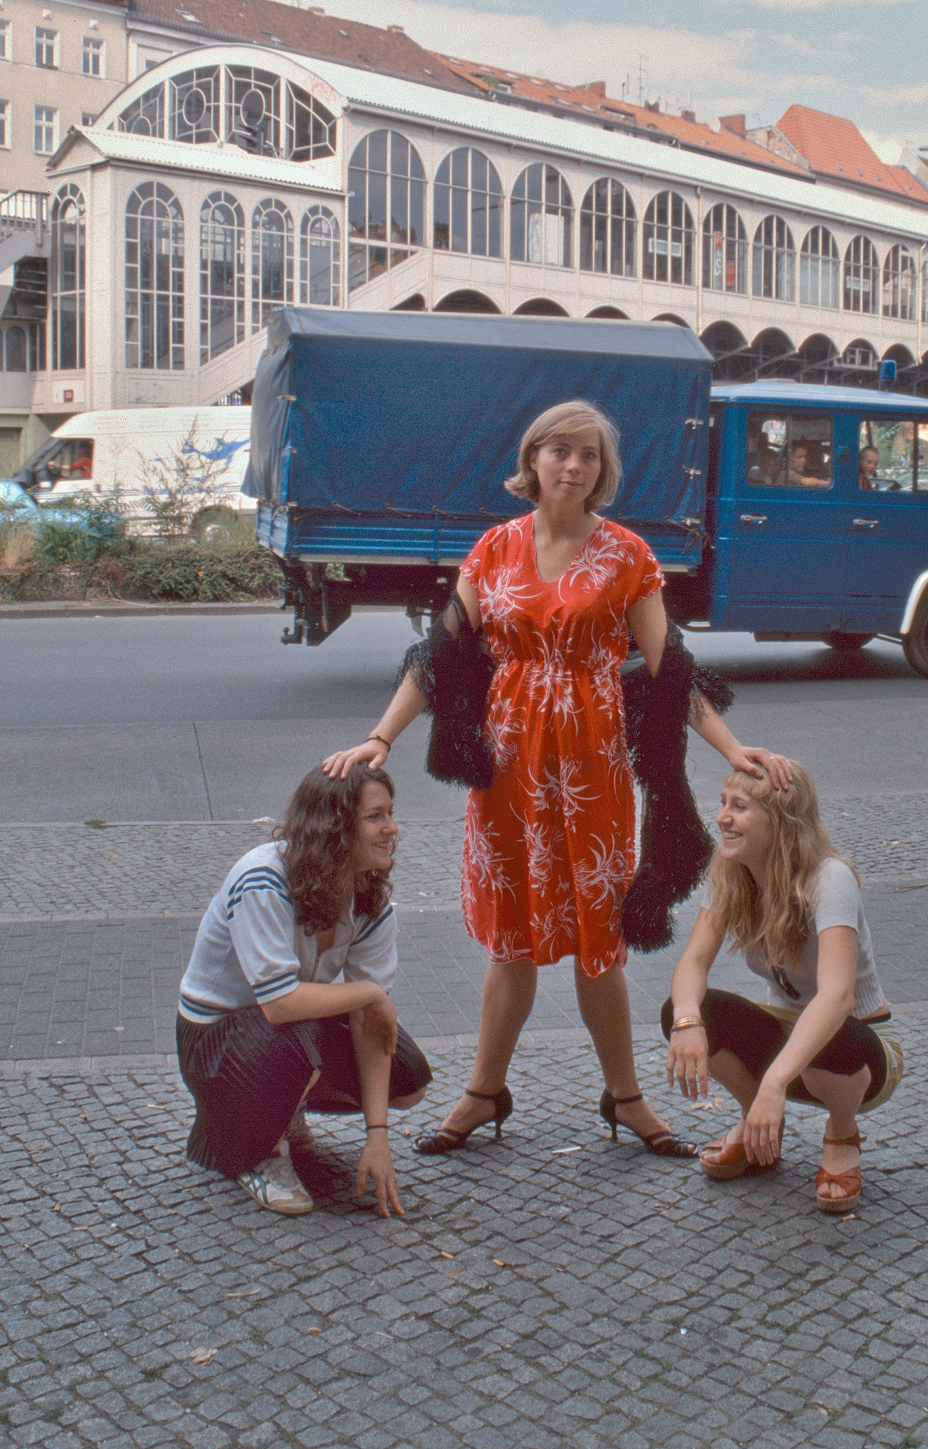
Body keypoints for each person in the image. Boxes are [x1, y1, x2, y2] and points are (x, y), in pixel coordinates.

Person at [325, 399, 792, 1160]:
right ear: (533, 460)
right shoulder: (493, 549)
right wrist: (380, 736)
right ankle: (483, 1091)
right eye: (559, 451)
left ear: (602, 472)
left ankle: (625, 1095)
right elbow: (441, 659)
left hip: (591, 772)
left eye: (588, 455)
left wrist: (732, 747)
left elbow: (670, 670)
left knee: (596, 943)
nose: (573, 466)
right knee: (509, 943)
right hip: (508, 776)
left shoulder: (627, 554)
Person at [176, 765, 429, 1217]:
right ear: (335, 826)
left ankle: (279, 1107)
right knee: (300, 1029)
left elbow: (369, 1024)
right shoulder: (264, 878)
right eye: (376, 817)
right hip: (214, 1043)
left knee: (407, 1079)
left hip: (283, 1030)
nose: (392, 828)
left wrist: (378, 1135)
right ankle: (257, 1151)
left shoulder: (368, 897)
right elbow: (279, 1004)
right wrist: (370, 994)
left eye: (391, 814)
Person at [661, 762, 902, 1214]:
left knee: (831, 1034)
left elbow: (837, 998)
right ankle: (759, 1126)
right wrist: (687, 1020)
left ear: (781, 821)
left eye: (740, 807)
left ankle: (842, 1133)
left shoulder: (830, 878)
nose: (722, 818)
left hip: (861, 1048)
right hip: (788, 1037)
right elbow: (692, 963)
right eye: (723, 804)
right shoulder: (734, 874)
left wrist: (775, 1080)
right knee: (688, 1009)